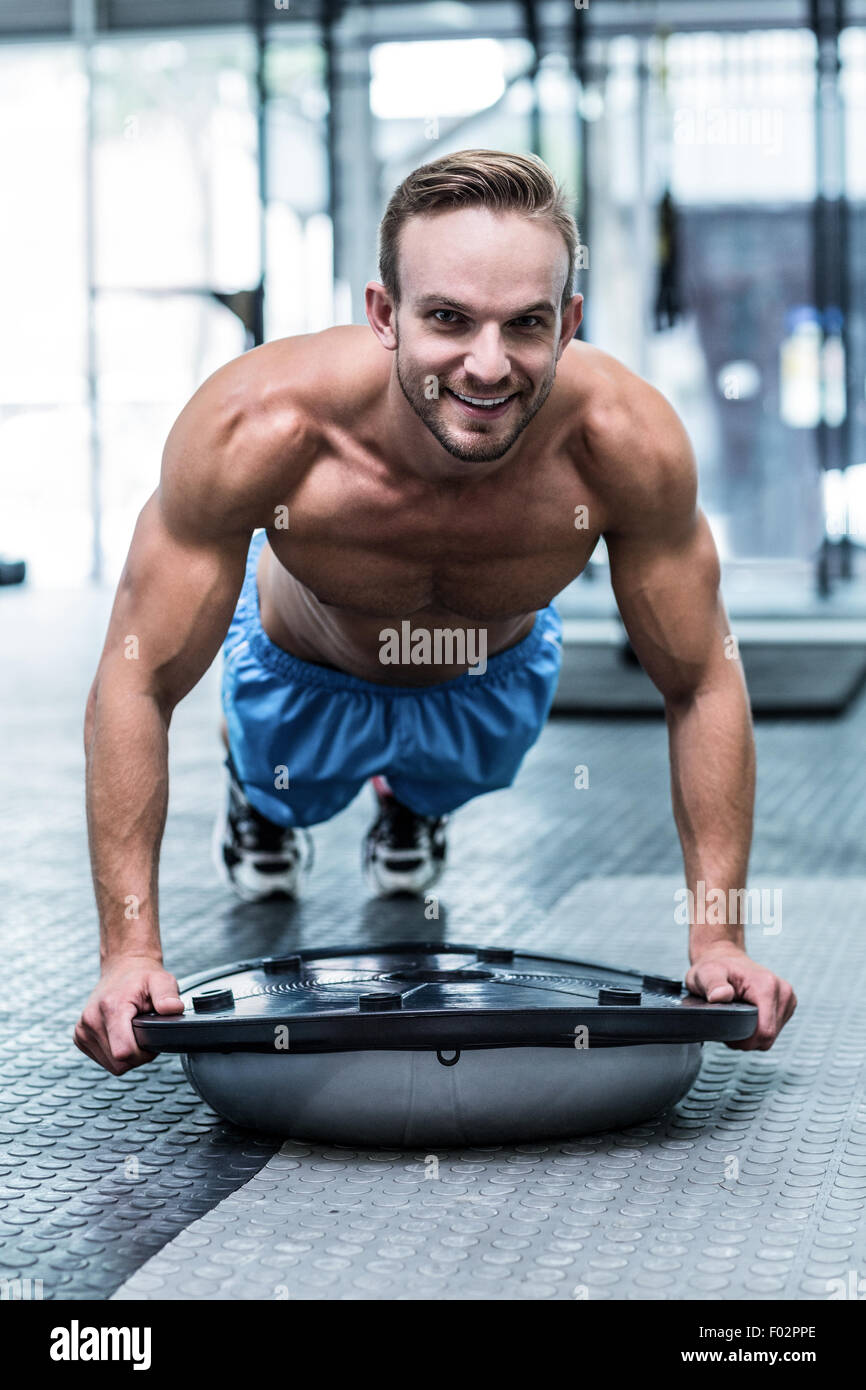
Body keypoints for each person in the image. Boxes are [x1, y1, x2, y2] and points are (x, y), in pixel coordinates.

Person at [75, 149, 796, 1075]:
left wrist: (719, 940)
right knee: (284, 788)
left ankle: (413, 799)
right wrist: (129, 953)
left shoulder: (626, 442)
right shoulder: (259, 427)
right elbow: (136, 673)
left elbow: (699, 677)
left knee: (448, 779)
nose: (489, 366)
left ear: (569, 323)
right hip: (306, 672)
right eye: (449, 319)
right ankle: (258, 798)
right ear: (385, 315)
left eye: (526, 325)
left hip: (487, 681)